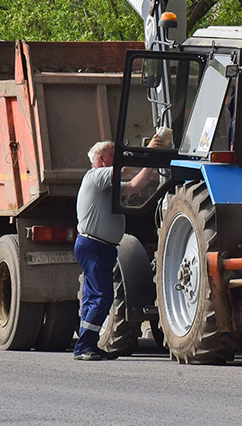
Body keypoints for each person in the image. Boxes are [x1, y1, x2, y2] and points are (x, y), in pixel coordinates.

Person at [73, 131, 171, 361]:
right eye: (114, 155)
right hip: (94, 246)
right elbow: (126, 171)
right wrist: (148, 151)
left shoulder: (107, 183)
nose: (118, 158)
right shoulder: (95, 176)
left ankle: (88, 345)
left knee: (92, 297)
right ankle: (84, 347)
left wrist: (151, 159)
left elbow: (136, 185)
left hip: (101, 247)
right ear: (102, 160)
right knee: (102, 297)